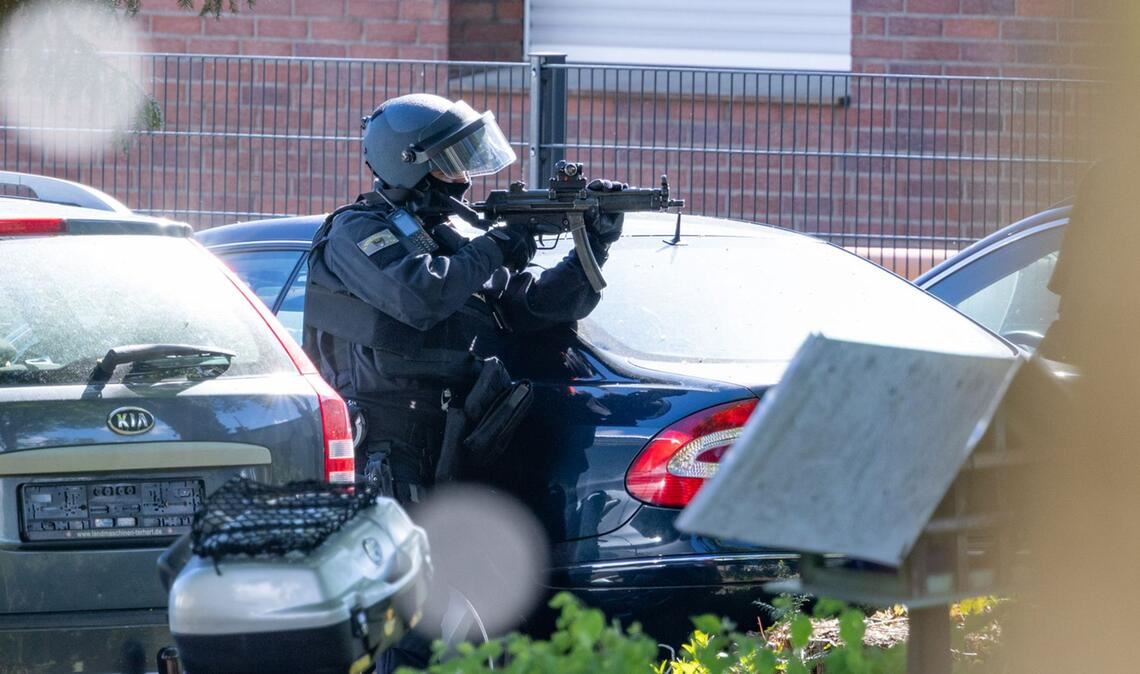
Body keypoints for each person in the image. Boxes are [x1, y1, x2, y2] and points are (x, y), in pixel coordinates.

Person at [303, 92, 623, 504]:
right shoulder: (356, 231)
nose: (464, 177)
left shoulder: (448, 238)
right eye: (451, 162)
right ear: (408, 162)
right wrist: (500, 243)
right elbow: (419, 296)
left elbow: (532, 309)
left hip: (456, 436)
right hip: (386, 446)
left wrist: (594, 244)